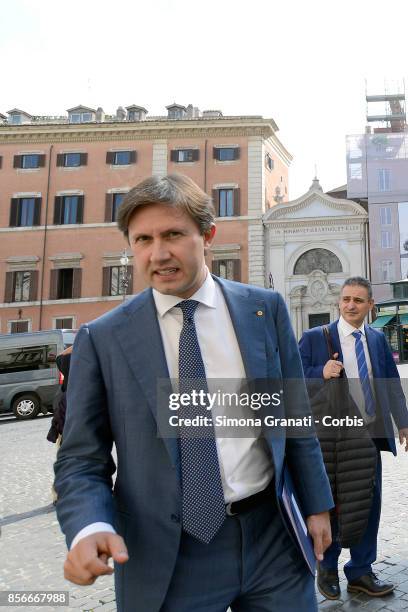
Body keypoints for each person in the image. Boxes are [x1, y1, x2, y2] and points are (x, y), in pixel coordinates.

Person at [54, 174, 334, 612]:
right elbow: (80, 460)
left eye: (173, 235)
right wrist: (88, 527)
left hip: (272, 539)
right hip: (168, 556)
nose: (158, 253)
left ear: (208, 236)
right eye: (143, 239)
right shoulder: (104, 339)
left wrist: (316, 506)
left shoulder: (264, 310)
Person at [299, 277, 408, 600]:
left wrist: (403, 424)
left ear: (370, 305)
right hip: (333, 437)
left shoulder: (375, 340)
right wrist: (320, 372)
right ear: (339, 302)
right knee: (332, 503)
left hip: (370, 435)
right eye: (346, 299)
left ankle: (361, 571)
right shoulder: (315, 338)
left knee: (369, 504)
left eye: (358, 300)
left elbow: (390, 382)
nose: (350, 305)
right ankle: (327, 569)